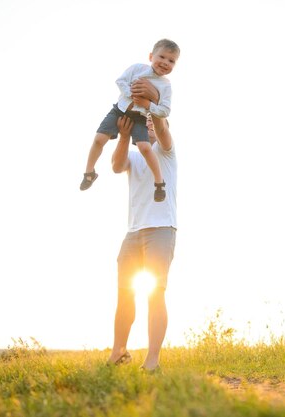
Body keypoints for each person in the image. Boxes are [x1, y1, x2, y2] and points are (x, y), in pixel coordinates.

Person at [106, 78, 177, 372]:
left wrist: (152, 109)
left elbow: (160, 127)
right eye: (144, 124)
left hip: (161, 230)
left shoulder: (167, 153)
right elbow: (116, 166)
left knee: (155, 293)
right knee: (125, 294)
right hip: (133, 233)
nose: (149, 127)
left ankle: (152, 360)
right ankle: (118, 352)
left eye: (153, 125)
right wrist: (124, 136)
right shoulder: (137, 157)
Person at [80, 39, 180, 202]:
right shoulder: (137, 69)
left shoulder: (165, 86)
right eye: (161, 57)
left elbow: (165, 111)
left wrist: (148, 104)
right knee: (99, 139)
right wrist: (131, 95)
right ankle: (89, 172)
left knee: (145, 148)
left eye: (171, 61)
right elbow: (120, 81)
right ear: (151, 56)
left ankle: (159, 183)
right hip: (119, 110)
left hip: (139, 117)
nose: (165, 63)